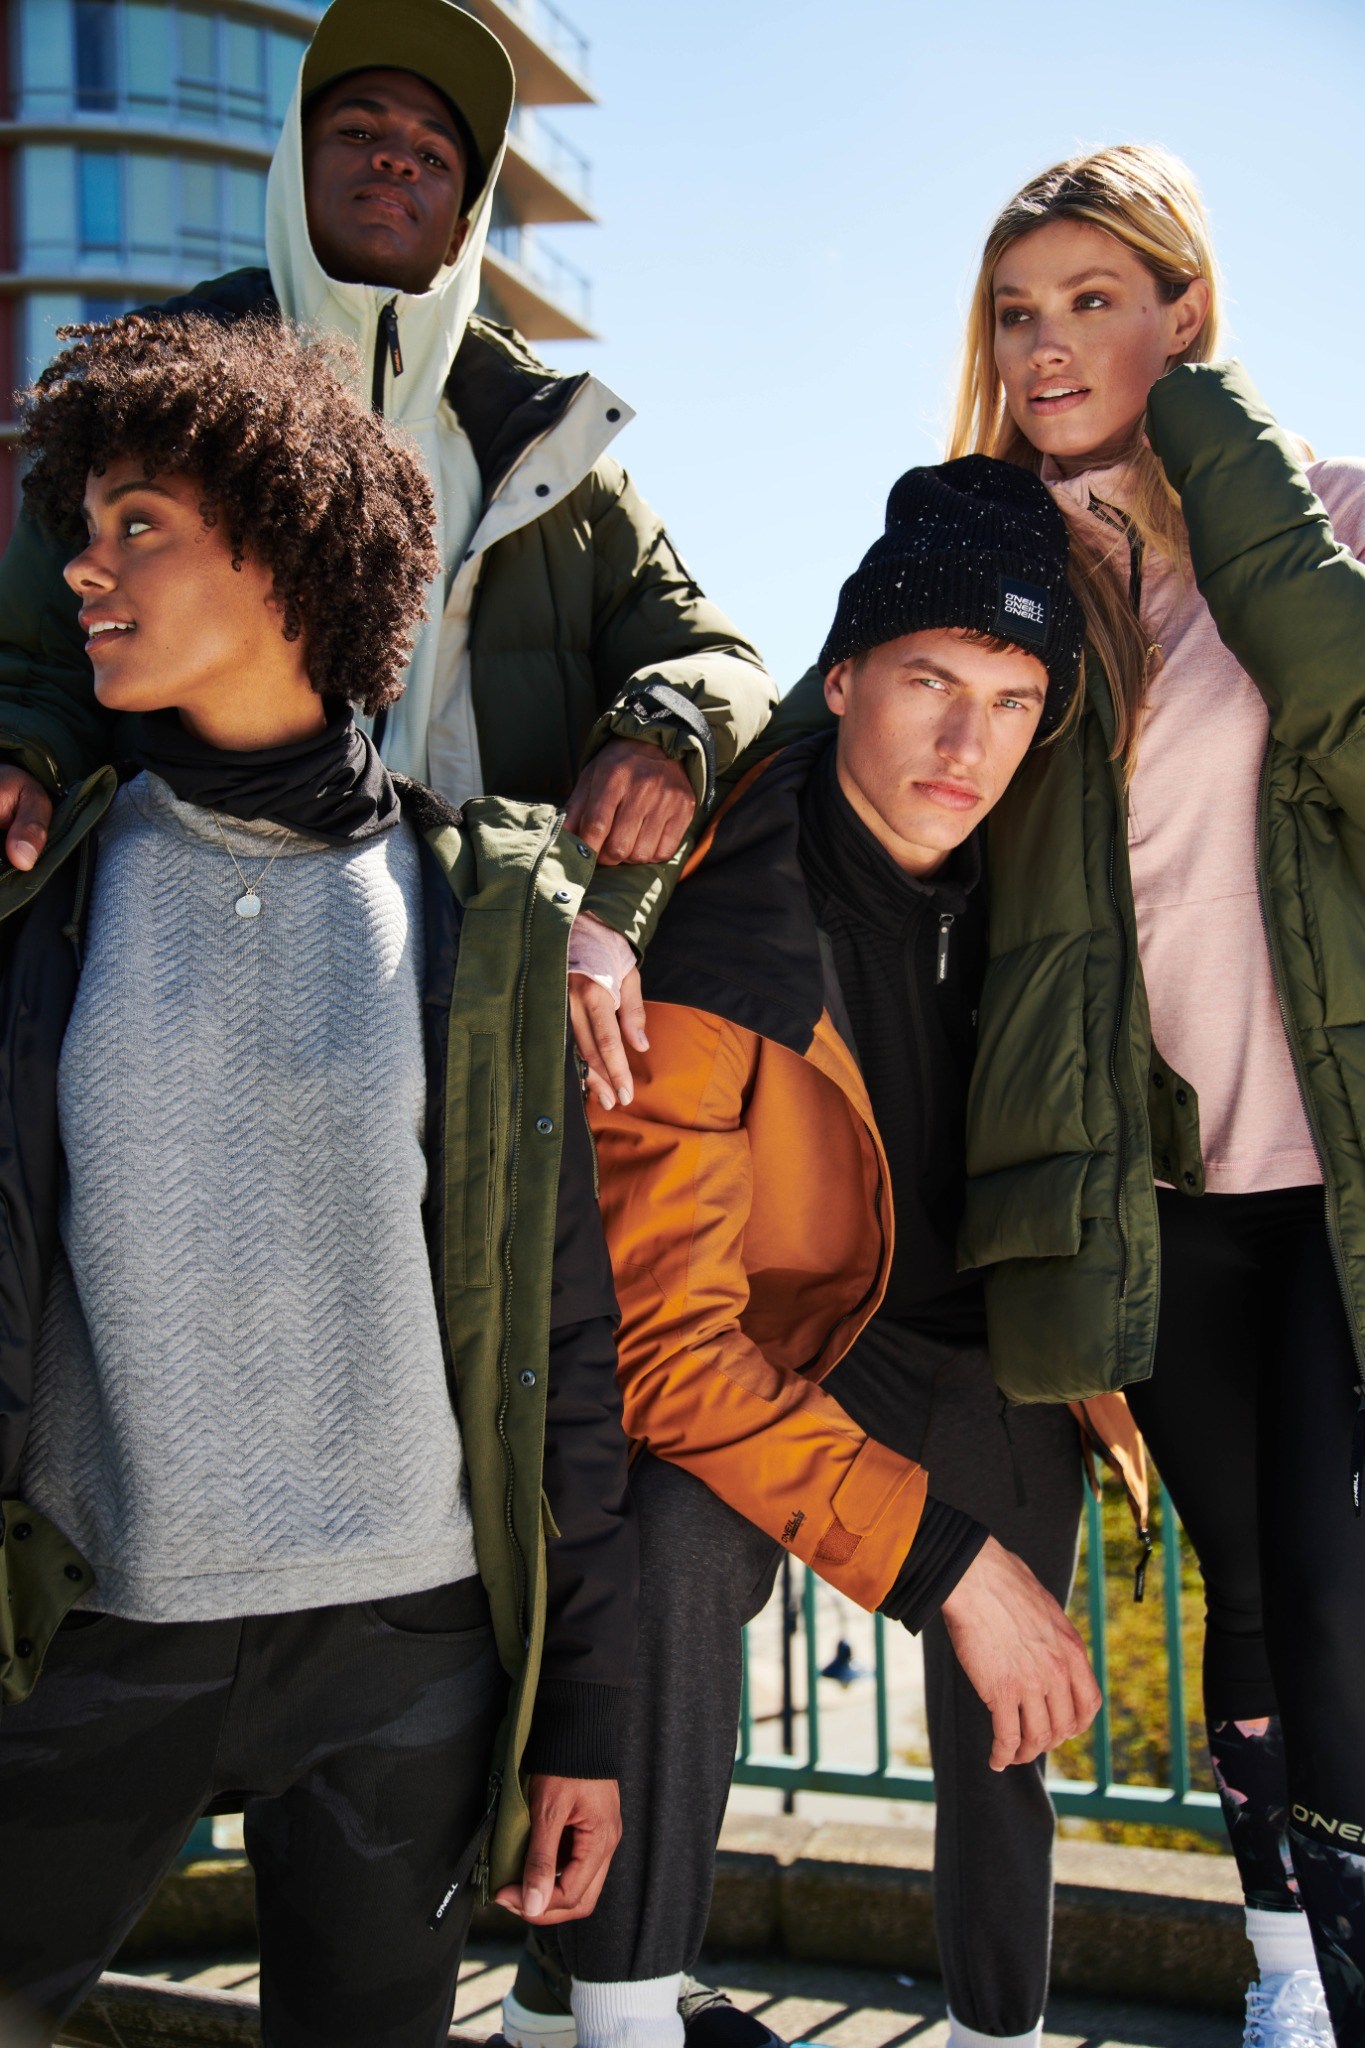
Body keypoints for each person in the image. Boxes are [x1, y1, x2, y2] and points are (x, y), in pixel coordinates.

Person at [0, 308, 635, 2048]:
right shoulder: (45, 884)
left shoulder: (476, 911)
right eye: (85, 526)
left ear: (284, 552)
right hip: (92, 1616)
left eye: (140, 524)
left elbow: (566, 1337)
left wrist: (587, 1707)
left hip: (402, 1647)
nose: (87, 567)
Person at [502, 459, 1134, 2048]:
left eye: (1009, 699)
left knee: (1020, 1644)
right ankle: (617, 2008)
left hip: (962, 1338)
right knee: (671, 1535)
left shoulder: (1031, 875)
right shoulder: (719, 925)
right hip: (771, 1340)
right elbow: (666, 1351)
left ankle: (998, 2030)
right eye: (929, 682)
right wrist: (943, 1565)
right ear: (841, 677)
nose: (965, 744)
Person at [0, 0, 774, 1099]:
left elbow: (717, 663)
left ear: (464, 217)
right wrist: (21, 760)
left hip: (475, 993)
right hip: (185, 977)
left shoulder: (554, 454)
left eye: (433, 154)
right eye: (359, 132)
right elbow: (32, 661)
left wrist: (662, 736)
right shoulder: (152, 403)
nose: (395, 162)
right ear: (295, 166)